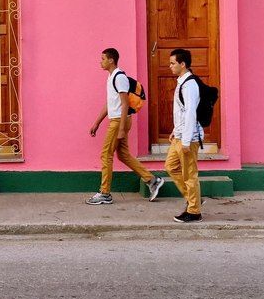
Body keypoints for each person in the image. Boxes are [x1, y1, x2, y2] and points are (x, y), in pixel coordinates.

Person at [86, 48, 164, 205]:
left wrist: (121, 128)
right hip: (116, 120)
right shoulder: (111, 77)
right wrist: (97, 122)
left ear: (111, 60)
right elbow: (111, 103)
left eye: (102, 59)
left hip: (118, 122)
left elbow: (125, 103)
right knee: (123, 155)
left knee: (106, 154)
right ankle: (152, 180)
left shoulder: (120, 77)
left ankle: (105, 193)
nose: (100, 62)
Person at [165, 48, 204, 222]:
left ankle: (194, 211)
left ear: (183, 64)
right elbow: (182, 111)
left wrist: (187, 140)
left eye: (173, 63)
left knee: (189, 175)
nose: (170, 66)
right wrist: (176, 130)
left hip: (188, 138)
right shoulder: (182, 82)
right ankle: (193, 198)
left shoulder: (190, 85)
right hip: (180, 135)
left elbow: (190, 114)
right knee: (171, 166)